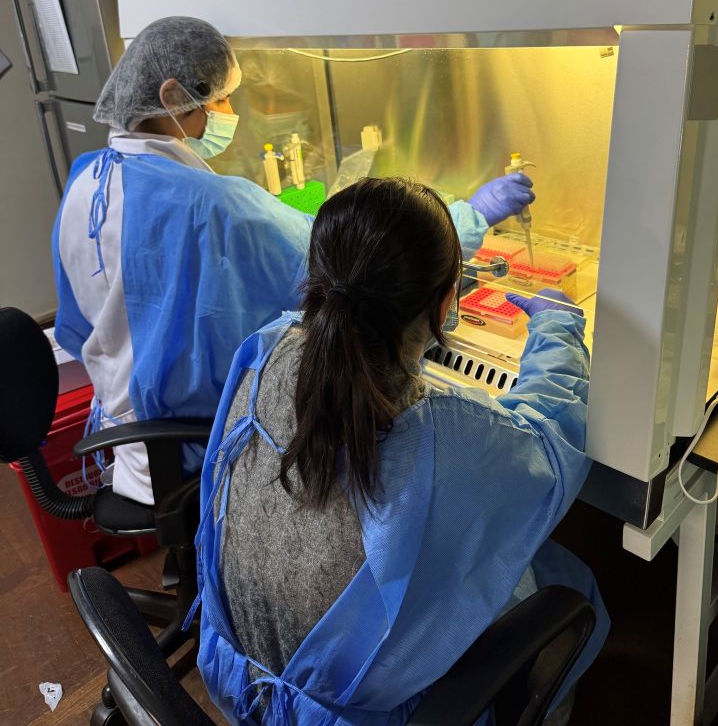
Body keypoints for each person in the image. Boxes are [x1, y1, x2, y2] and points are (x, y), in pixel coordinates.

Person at [52, 17, 535, 506]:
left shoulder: (87, 182)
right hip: (205, 454)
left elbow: (80, 321)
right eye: (218, 98)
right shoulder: (213, 206)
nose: (227, 109)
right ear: (174, 97)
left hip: (131, 441)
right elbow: (348, 261)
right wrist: (470, 216)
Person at [193, 177, 609, 725]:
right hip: (355, 714)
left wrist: (469, 217)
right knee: (569, 584)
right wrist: (558, 331)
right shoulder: (434, 432)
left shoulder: (267, 349)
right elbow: (548, 445)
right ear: (444, 303)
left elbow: (371, 270)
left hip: (232, 665)